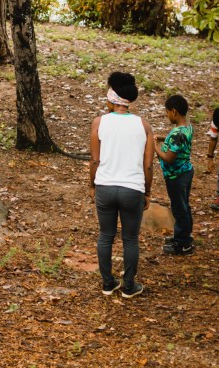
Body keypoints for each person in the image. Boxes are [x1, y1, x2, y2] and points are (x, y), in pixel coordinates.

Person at [90, 71, 154, 298]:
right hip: (132, 189)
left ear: (112, 98)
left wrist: (92, 185)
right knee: (130, 238)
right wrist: (147, 192)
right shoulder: (144, 125)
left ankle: (108, 283)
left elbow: (95, 160)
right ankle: (129, 286)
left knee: (105, 235)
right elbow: (148, 165)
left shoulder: (99, 122)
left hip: (105, 187)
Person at [156, 94, 194, 255]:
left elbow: (169, 158)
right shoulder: (186, 128)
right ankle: (182, 235)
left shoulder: (178, 133)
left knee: (179, 209)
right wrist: (163, 138)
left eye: (167, 112)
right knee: (183, 206)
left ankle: (183, 244)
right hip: (185, 172)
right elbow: (178, 141)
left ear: (174, 111)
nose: (166, 115)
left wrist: (154, 145)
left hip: (176, 176)